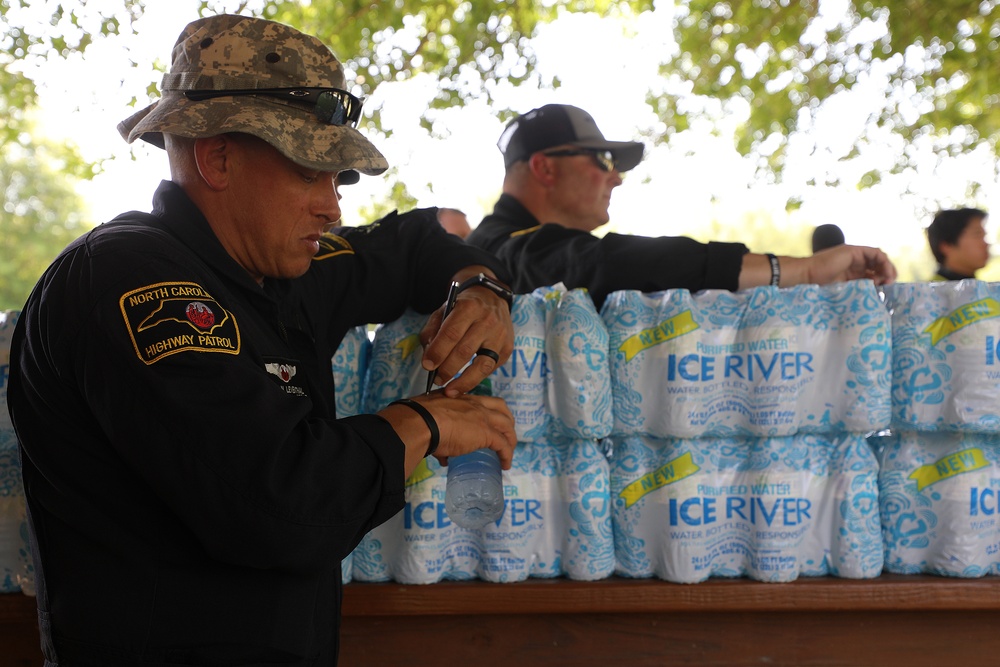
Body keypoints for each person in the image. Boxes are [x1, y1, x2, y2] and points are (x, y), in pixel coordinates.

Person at [7, 14, 518, 667]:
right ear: (217, 157)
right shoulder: (134, 280)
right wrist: (428, 423)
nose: (332, 206)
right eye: (311, 171)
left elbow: (412, 244)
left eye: (338, 180)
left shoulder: (278, 269)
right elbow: (277, 502)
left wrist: (480, 288)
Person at [466, 104, 897, 310]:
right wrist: (803, 271)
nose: (616, 176)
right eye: (602, 160)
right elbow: (605, 264)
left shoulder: (499, 243)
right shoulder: (497, 250)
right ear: (543, 167)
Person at [926, 207, 990, 280]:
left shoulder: (978, 288)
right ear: (946, 246)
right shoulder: (932, 290)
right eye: (977, 235)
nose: (986, 244)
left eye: (984, 236)